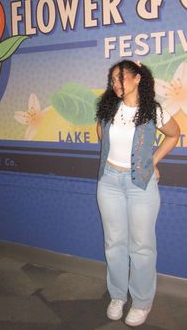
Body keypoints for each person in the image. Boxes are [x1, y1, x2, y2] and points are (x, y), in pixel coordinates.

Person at [96, 59, 180, 327]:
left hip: (140, 184)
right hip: (109, 181)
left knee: (141, 246)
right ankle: (118, 296)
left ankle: (142, 302)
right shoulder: (109, 108)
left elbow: (174, 134)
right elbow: (102, 133)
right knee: (114, 243)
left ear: (137, 79)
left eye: (120, 79)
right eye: (113, 81)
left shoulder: (152, 110)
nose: (116, 85)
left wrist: (151, 161)